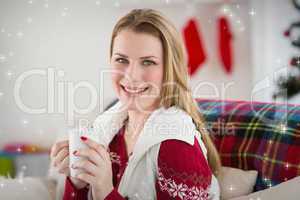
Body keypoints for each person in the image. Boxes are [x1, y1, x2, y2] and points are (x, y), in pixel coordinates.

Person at [50, 8, 222, 200]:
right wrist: (78, 183)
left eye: (148, 62)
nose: (131, 75)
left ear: (169, 69)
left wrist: (105, 192)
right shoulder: (107, 129)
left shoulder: (177, 147)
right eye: (121, 60)